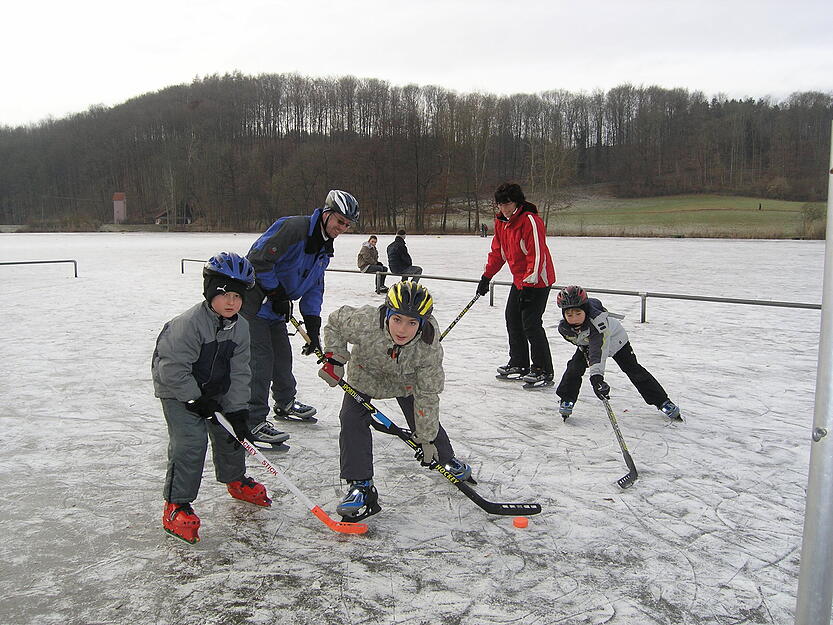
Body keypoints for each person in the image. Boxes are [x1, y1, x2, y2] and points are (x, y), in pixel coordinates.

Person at [316, 281, 472, 521]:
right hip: (364, 375)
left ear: (421, 324)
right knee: (351, 419)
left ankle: (445, 457)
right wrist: (335, 359)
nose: (402, 329)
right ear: (386, 313)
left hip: (405, 382)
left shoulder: (428, 345)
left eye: (412, 323)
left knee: (422, 418)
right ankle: (361, 485)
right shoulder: (366, 322)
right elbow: (335, 321)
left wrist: (426, 438)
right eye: (397, 319)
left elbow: (428, 395)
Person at [152, 252, 271, 544]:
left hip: (215, 388)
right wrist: (194, 399)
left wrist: (238, 411)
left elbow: (241, 370)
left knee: (232, 435)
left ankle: (235, 480)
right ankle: (176, 504)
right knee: (191, 443)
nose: (232, 302)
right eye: (225, 294)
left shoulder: (240, 326)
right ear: (209, 292)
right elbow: (172, 368)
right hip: (178, 391)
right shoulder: (188, 324)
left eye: (238, 296)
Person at [244, 189, 359, 444]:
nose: (342, 228)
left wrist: (313, 325)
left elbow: (315, 284)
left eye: (347, 225)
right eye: (340, 221)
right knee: (260, 363)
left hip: (275, 308)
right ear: (327, 214)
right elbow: (257, 260)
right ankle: (253, 422)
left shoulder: (324, 247)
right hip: (253, 304)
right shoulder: (293, 228)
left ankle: (285, 403)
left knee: (282, 359)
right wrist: (276, 293)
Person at [554, 285, 682, 421]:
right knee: (574, 368)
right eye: (569, 315)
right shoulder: (564, 329)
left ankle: (662, 401)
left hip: (616, 341)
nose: (574, 319)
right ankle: (567, 399)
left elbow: (599, 351)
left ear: (585, 310)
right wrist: (584, 347)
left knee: (633, 370)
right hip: (589, 344)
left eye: (578, 314)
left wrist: (597, 378)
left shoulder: (598, 323)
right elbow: (581, 342)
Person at [475, 182, 556, 388]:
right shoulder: (501, 222)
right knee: (512, 318)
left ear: (517, 202)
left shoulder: (530, 220)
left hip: (538, 280)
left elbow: (536, 254)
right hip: (519, 280)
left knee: (531, 323)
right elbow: (498, 252)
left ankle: (543, 369)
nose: (504, 208)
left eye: (508, 203)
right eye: (500, 204)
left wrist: (530, 283)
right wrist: (487, 277)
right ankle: (519, 363)